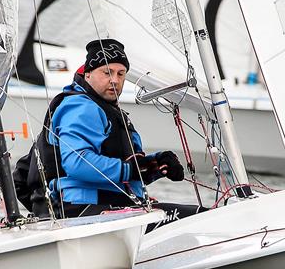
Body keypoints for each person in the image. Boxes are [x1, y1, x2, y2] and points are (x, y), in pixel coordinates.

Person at [14, 39, 203, 230]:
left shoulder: (104, 109)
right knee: (200, 219)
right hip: (83, 212)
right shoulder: (82, 107)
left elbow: (126, 170)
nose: (115, 80)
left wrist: (155, 165)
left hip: (111, 209)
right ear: (88, 74)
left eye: (121, 74)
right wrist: (134, 169)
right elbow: (78, 163)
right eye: (107, 72)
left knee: (195, 219)